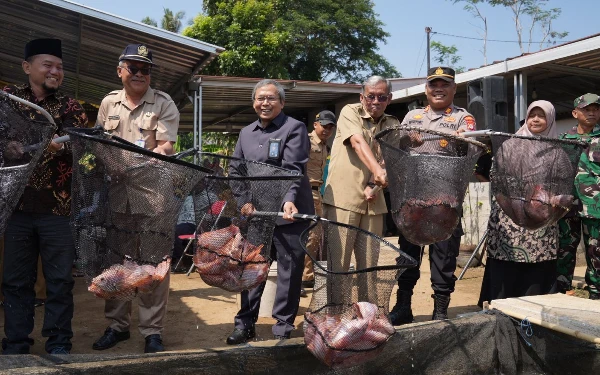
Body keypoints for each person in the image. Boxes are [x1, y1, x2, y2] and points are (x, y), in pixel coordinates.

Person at [1, 38, 88, 355]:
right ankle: (16, 341)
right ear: (27, 67)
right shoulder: (8, 99)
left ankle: (59, 341)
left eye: (60, 67)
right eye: (47, 65)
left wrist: (60, 144)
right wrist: (10, 145)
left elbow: (79, 142)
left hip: (58, 208)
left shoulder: (70, 107)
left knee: (60, 281)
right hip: (17, 207)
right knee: (15, 280)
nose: (56, 71)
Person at [92, 43, 179, 353]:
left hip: (153, 195)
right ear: (120, 71)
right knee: (118, 262)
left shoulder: (164, 103)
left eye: (146, 69)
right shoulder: (107, 104)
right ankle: (117, 326)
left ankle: (152, 331)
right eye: (133, 67)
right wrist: (115, 166)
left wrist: (140, 164)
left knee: (153, 263)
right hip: (117, 195)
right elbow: (101, 145)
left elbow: (167, 146)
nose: (140, 73)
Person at [226, 79, 314, 344]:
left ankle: (282, 328)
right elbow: (236, 170)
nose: (265, 103)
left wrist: (288, 200)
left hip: (290, 214)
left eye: (271, 98)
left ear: (282, 103)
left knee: (289, 271)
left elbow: (292, 169)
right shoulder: (246, 133)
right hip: (257, 216)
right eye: (260, 98)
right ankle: (245, 324)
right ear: (254, 102)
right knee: (252, 270)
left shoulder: (294, 128)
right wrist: (243, 200)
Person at [389, 67, 476, 325]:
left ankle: (440, 310)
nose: (438, 89)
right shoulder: (412, 115)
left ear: (453, 89)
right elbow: (396, 148)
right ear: (426, 89)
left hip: (444, 200)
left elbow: (470, 152)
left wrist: (461, 141)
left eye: (444, 84)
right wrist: (407, 141)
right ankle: (403, 306)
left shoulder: (464, 118)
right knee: (407, 254)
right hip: (413, 198)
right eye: (433, 84)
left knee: (443, 254)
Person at [478, 100, 560, 306]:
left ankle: (534, 312)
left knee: (537, 264)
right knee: (506, 263)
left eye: (541, 116)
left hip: (541, 220)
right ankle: (501, 308)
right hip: (510, 217)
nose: (536, 120)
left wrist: (551, 197)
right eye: (532, 115)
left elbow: (561, 180)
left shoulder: (557, 149)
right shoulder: (511, 143)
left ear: (550, 119)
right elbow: (496, 175)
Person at [322, 76, 396, 274]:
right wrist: (378, 172)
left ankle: (366, 306)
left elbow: (388, 159)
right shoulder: (349, 112)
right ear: (362, 97)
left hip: (374, 201)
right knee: (338, 265)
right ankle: (336, 306)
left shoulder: (392, 124)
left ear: (389, 98)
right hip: (343, 201)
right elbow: (357, 142)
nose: (375, 102)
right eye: (371, 96)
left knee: (369, 268)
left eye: (381, 97)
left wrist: (375, 183)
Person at [556, 93, 600, 300]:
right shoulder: (563, 140)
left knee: (596, 252)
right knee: (564, 249)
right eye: (586, 109)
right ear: (575, 113)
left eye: (596, 109)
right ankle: (561, 290)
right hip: (568, 206)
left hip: (596, 206)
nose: (592, 112)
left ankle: (596, 294)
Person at [301, 110, 336, 296]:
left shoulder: (325, 146)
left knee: (314, 238)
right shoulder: (305, 141)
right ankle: (299, 277)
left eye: (330, 127)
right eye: (324, 125)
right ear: (315, 124)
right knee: (307, 237)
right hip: (305, 193)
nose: (327, 129)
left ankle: (307, 276)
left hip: (317, 195)